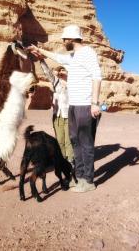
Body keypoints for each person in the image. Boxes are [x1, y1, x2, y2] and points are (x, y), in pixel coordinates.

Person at [28, 24, 102, 193]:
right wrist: (39, 51)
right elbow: (58, 57)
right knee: (75, 141)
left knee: (86, 143)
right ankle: (80, 176)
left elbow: (97, 77)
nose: (63, 42)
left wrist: (95, 103)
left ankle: (89, 181)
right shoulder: (73, 56)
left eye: (64, 39)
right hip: (73, 106)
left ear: (71, 39)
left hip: (85, 105)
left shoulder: (88, 53)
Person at [39, 59, 74, 164]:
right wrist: (41, 60)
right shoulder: (56, 82)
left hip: (70, 115)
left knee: (69, 139)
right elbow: (47, 72)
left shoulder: (73, 84)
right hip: (57, 115)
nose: (62, 72)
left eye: (64, 70)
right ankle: (62, 158)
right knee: (59, 139)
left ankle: (70, 159)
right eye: (60, 70)